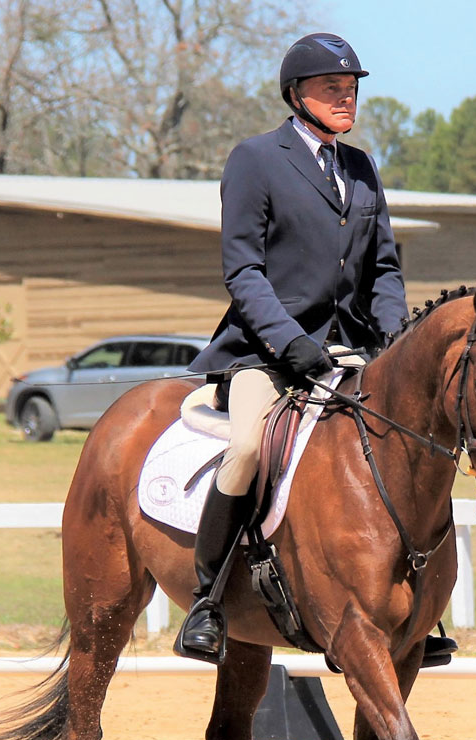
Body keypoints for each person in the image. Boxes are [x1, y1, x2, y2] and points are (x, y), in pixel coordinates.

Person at [175, 32, 409, 662]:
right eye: (333, 88)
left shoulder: (359, 168)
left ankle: (415, 609)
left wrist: (395, 338)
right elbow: (243, 272)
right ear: (296, 94)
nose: (346, 98)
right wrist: (290, 343)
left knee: (409, 445)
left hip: (352, 350)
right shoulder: (256, 159)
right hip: (267, 351)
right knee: (249, 445)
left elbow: (383, 267)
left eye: (352, 88)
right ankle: (209, 599)